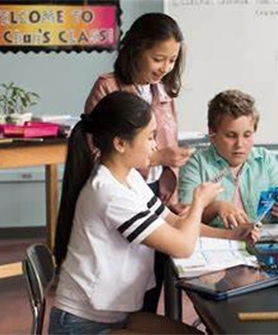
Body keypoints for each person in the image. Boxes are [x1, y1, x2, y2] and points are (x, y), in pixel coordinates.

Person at [51, 92, 258, 334]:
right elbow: (182, 245)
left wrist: (231, 235)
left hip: (112, 315)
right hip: (82, 325)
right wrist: (199, 202)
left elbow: (175, 223)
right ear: (120, 143)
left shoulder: (127, 177)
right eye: (150, 137)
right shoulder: (109, 193)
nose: (155, 146)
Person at [83, 13, 194, 313]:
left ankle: (142, 322)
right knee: (126, 277)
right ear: (136, 49)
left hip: (156, 192)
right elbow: (99, 155)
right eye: (159, 58)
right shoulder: (108, 87)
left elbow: (165, 143)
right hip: (124, 195)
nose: (166, 68)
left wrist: (174, 187)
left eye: (172, 60)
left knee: (152, 279)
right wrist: (158, 157)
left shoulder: (164, 92)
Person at [179, 89, 278, 228]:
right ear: (212, 133)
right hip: (219, 242)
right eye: (231, 135)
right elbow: (184, 217)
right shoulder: (196, 163)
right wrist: (216, 208)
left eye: (247, 135)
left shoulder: (264, 159)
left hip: (265, 240)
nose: (240, 144)